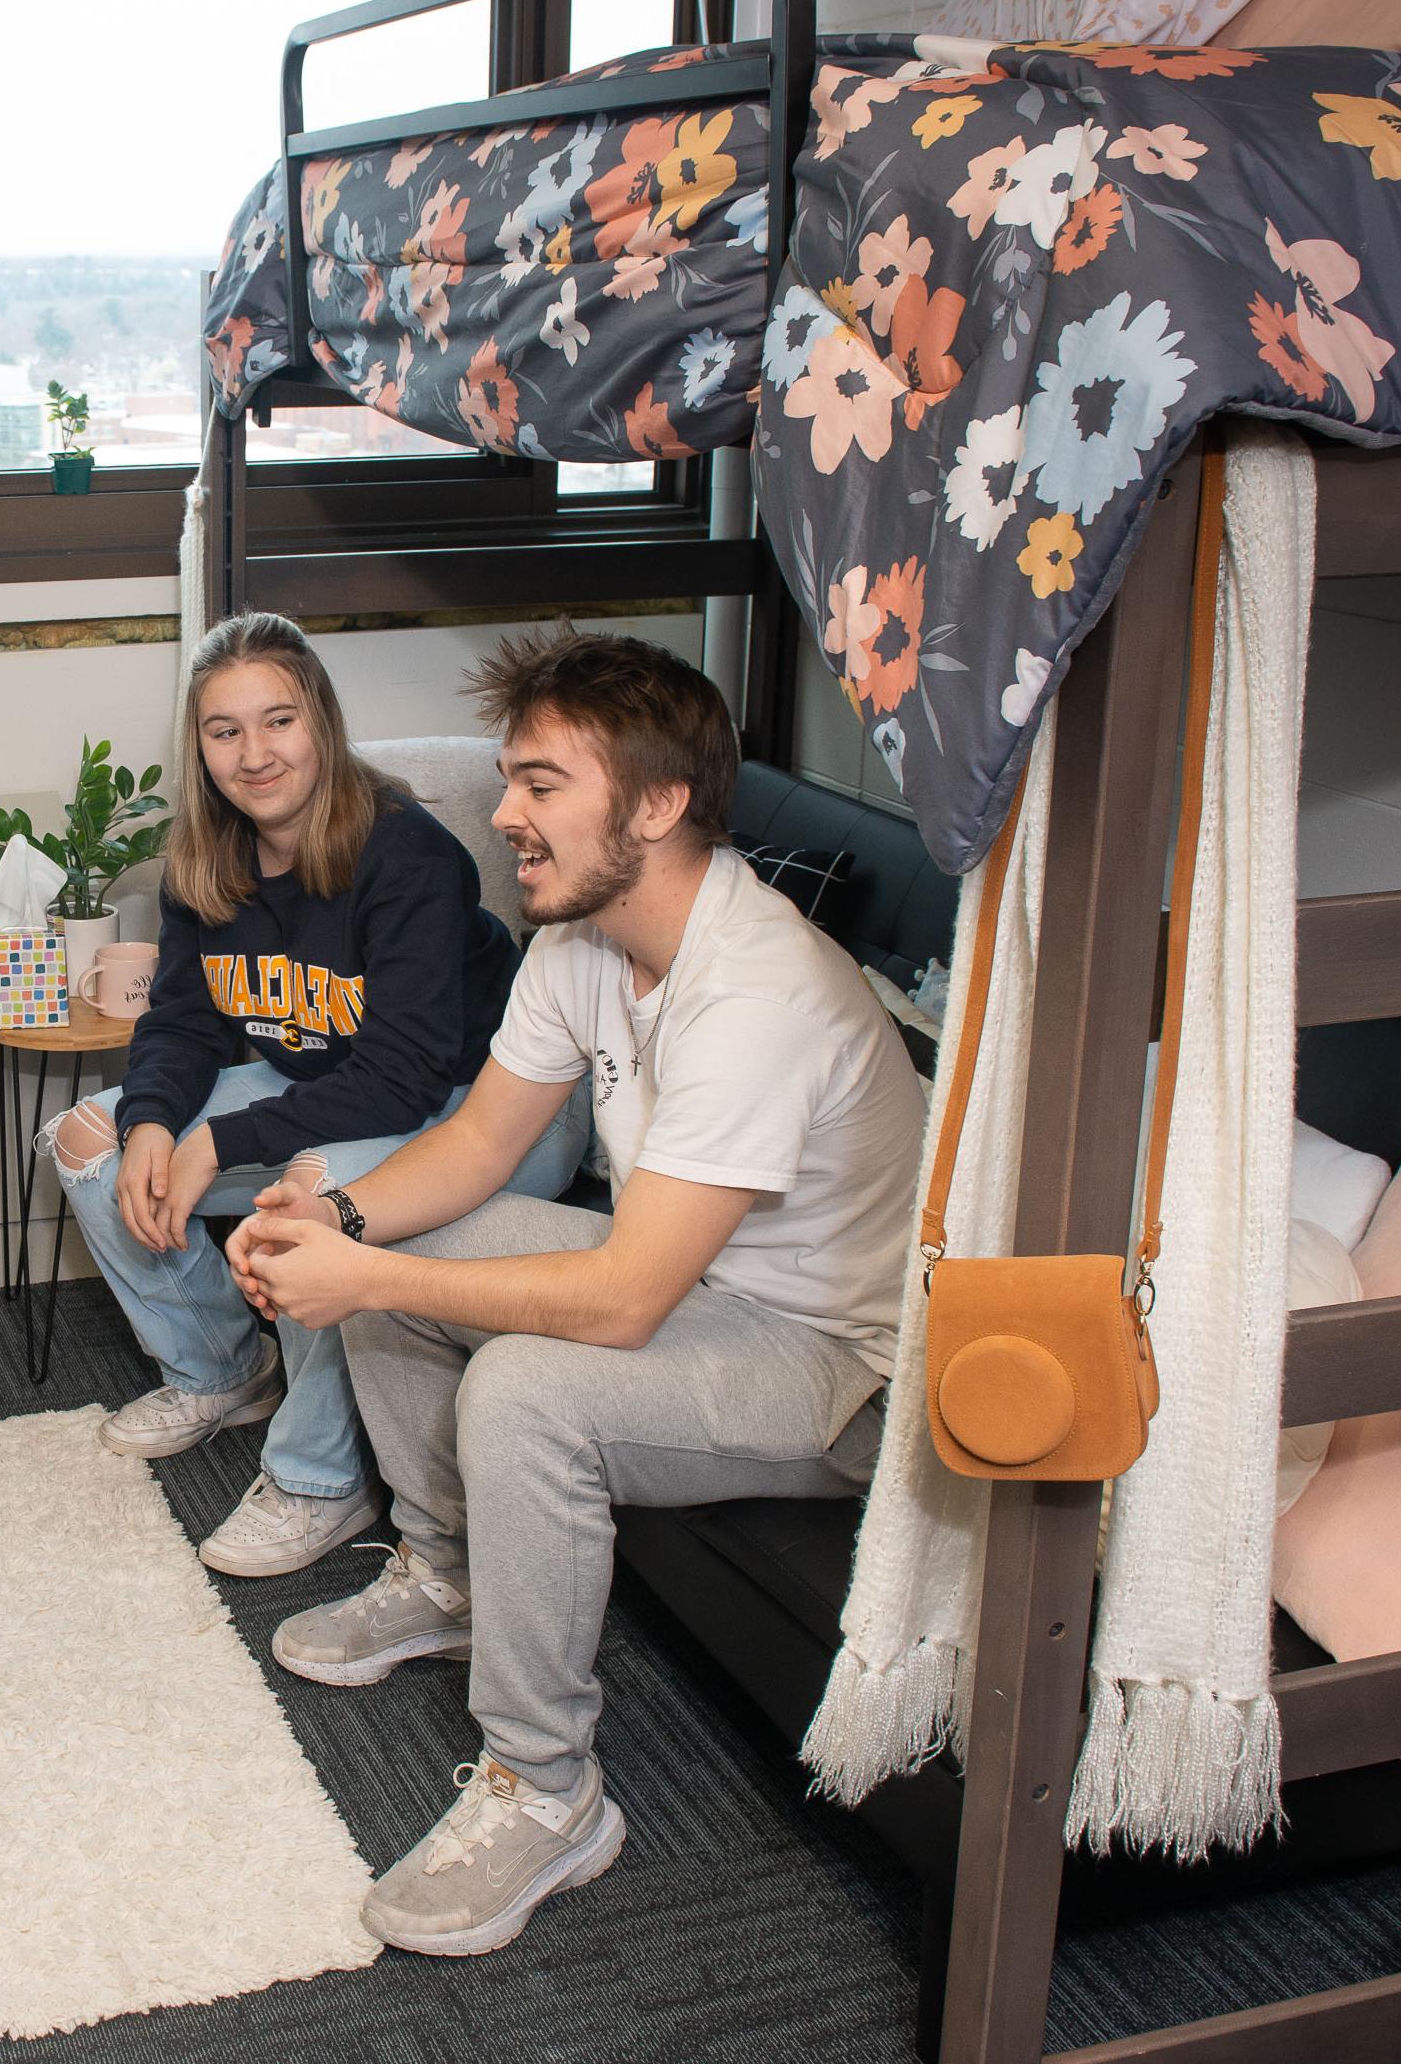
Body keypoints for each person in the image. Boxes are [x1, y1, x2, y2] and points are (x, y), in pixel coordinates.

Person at [229, 629, 925, 1959]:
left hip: (835, 1366)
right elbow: (482, 1145)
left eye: (542, 784)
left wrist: (361, 1269)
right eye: (512, 781)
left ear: (655, 806)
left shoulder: (758, 992)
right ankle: (448, 1579)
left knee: (527, 1387)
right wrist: (339, 1220)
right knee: (420, 1254)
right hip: (697, 1287)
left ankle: (548, 1787)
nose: (507, 815)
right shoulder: (589, 937)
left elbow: (620, 1305)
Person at [52, 613, 588, 1578]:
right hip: (323, 1080)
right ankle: (222, 1369)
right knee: (87, 1141)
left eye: (279, 720)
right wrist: (153, 1123)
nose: (255, 754)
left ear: (322, 724)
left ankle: (319, 1480)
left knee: (312, 1189)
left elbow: (403, 1073)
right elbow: (181, 1023)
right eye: (226, 731)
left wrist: (217, 1144)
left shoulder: (407, 856)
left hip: (486, 1106)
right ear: (201, 747)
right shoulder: (204, 861)